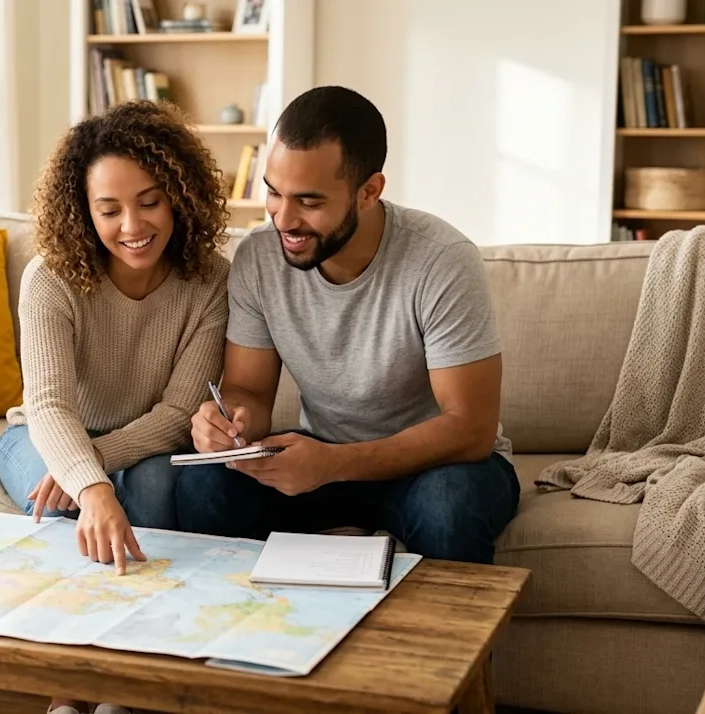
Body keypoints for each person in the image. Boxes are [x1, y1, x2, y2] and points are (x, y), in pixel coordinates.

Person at [177, 86, 520, 565]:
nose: (284, 219)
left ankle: (444, 642)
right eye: (274, 193)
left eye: (309, 202)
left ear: (369, 192)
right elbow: (248, 391)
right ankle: (239, 636)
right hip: (322, 459)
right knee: (201, 485)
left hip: (438, 467)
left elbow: (470, 429)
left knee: (449, 508)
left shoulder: (441, 260)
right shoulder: (258, 257)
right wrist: (230, 424)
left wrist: (335, 464)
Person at [0, 99, 231, 569]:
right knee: (56, 500)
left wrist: (93, 463)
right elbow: (48, 406)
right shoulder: (50, 278)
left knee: (156, 487)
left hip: (145, 439)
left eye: (150, 202)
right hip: (45, 435)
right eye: (110, 211)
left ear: (179, 197)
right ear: (84, 212)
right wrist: (88, 484)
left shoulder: (212, 282)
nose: (133, 226)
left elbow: (180, 412)